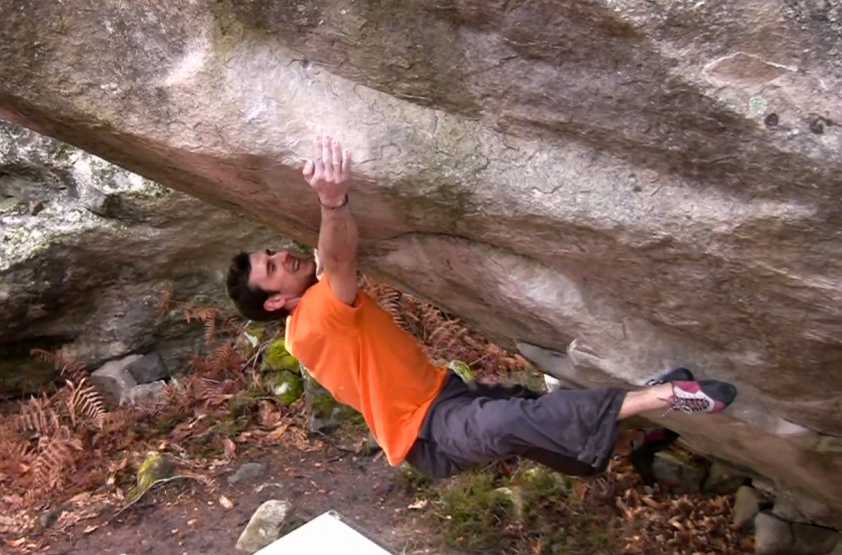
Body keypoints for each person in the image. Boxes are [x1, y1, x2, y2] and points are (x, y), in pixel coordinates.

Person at [224, 135, 737, 479]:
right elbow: (338, 259)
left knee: (538, 424)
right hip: (428, 434)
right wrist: (332, 201)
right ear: (277, 300)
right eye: (272, 266)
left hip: (445, 395)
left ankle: (639, 442)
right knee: (509, 423)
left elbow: (320, 256)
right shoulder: (313, 316)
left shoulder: (304, 322)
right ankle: (665, 396)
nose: (280, 254)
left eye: (270, 252)